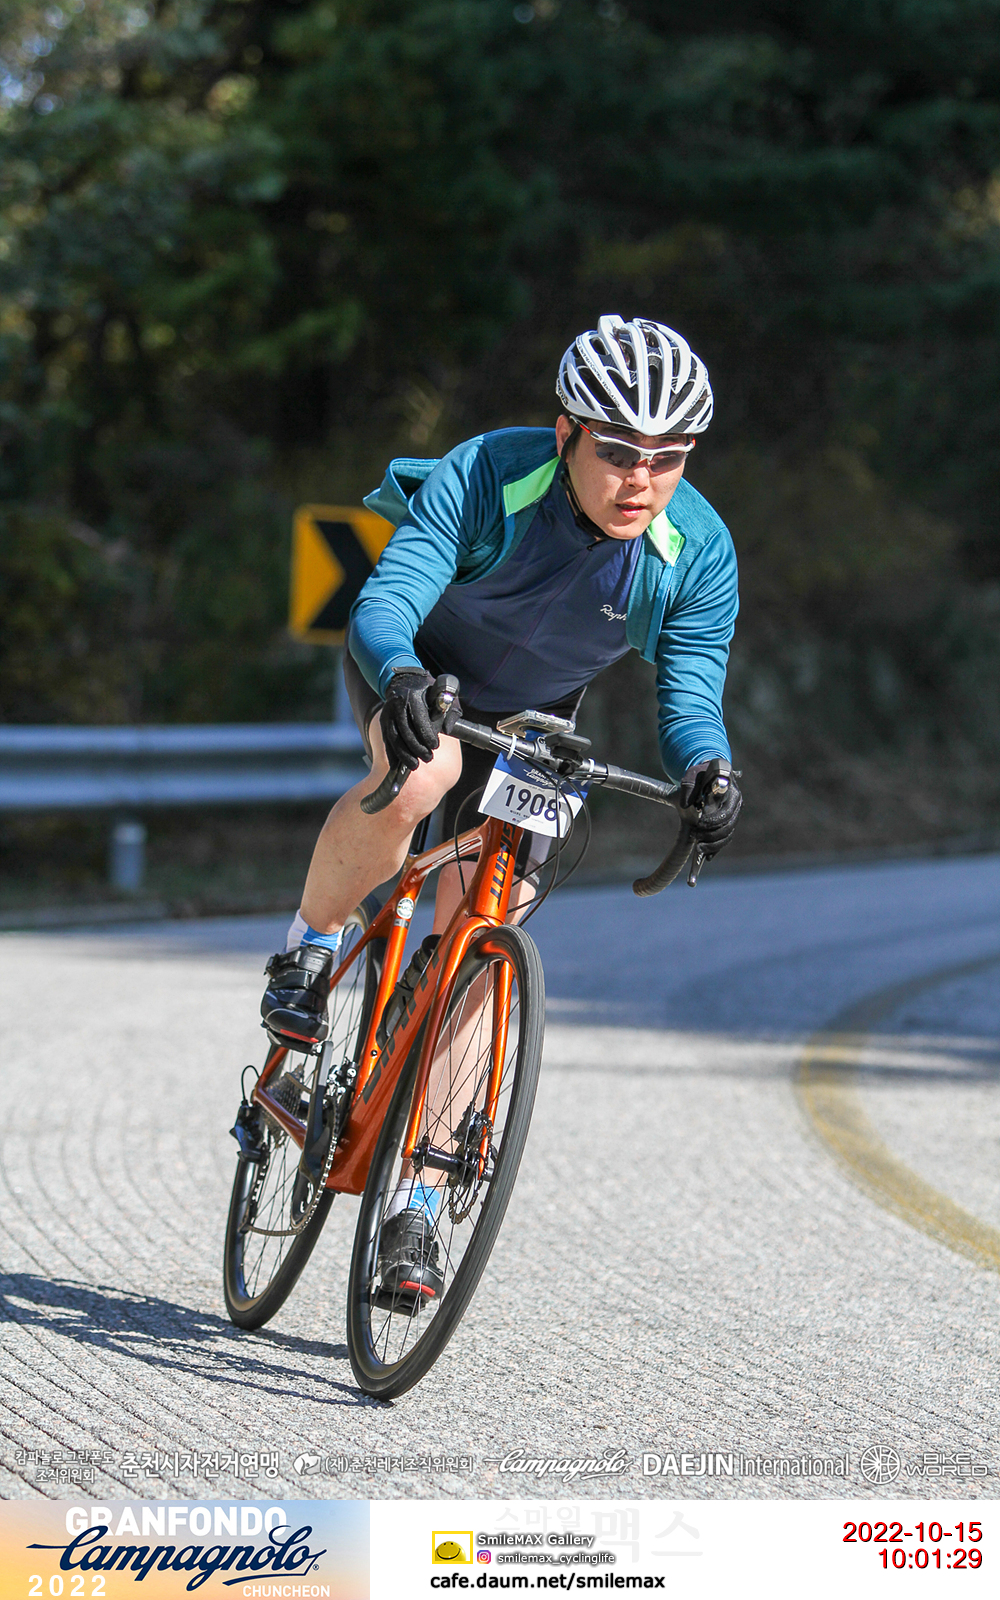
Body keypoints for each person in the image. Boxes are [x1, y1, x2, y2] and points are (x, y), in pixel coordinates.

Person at [261, 314, 742, 1302]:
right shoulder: (488, 472)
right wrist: (401, 677)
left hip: (533, 720)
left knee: (492, 925)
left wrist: (708, 768)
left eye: (669, 458)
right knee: (424, 775)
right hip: (416, 677)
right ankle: (308, 948)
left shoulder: (695, 549)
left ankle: (418, 1200)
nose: (642, 479)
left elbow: (689, 694)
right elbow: (386, 601)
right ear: (566, 433)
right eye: (618, 451)